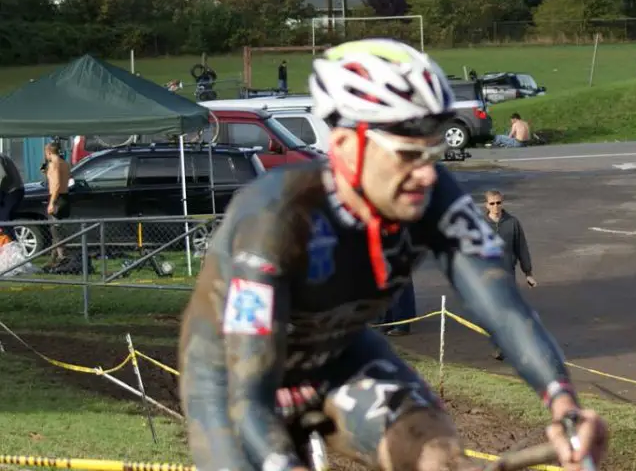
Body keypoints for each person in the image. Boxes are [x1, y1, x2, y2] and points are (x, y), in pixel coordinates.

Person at [177, 38, 607, 471]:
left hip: (338, 357)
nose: (425, 174)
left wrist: (564, 405)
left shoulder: (433, 194)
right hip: (234, 379)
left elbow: (501, 304)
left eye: (433, 153)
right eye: (406, 155)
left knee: (436, 458)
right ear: (345, 145)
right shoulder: (279, 217)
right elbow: (248, 395)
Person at [483, 189, 536, 362]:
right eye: (492, 203)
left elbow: (522, 248)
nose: (496, 206)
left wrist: (528, 273)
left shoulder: (512, 223)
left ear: (502, 203)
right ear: (487, 205)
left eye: (498, 202)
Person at [44, 143, 70, 266]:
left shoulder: (54, 165)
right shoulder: (65, 163)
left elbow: (56, 185)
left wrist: (51, 203)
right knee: (57, 230)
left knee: (56, 230)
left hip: (58, 198)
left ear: (48, 152)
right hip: (65, 197)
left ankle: (62, 257)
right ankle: (53, 259)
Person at [0, 150, 24, 241]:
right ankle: (11, 242)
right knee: (5, 219)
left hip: (12, 191)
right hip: (14, 190)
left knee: (3, 219)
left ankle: (10, 243)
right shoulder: (3, 156)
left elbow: (2, 176)